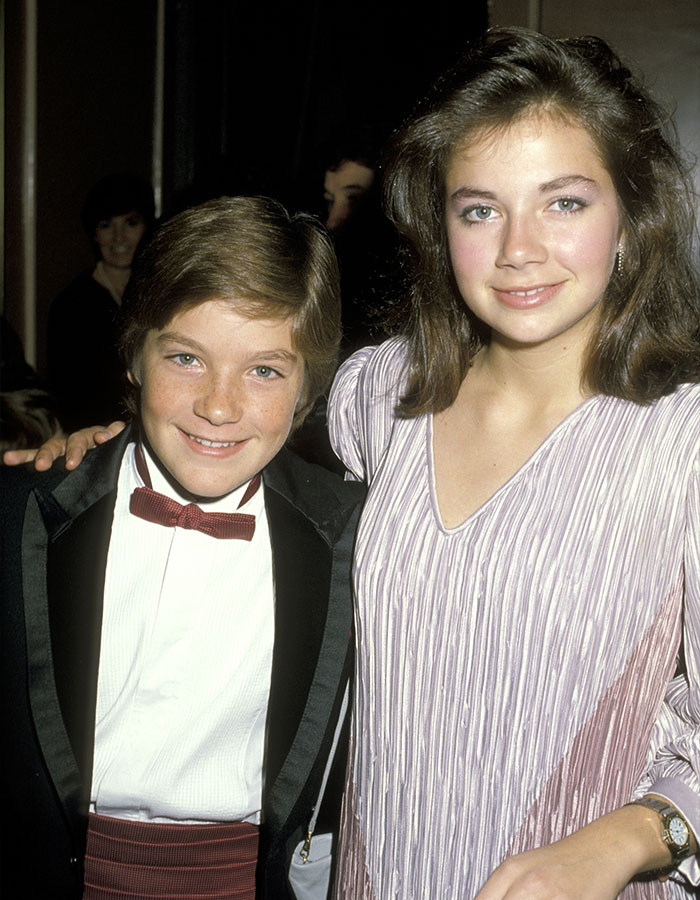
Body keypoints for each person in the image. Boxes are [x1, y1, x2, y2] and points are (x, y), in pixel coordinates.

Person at [11, 27, 700, 900]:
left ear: (631, 213)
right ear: (437, 222)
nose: (519, 248)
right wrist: (95, 453)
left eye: (564, 202)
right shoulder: (381, 396)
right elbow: (236, 407)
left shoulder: (683, 443)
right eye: (480, 208)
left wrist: (625, 842)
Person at [1, 196, 364, 899]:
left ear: (308, 387)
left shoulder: (358, 535)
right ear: (134, 355)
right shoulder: (26, 514)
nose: (219, 407)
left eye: (265, 371)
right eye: (187, 358)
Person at [47, 172, 155, 429]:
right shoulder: (70, 305)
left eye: (130, 223)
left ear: (146, 227)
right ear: (94, 234)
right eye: (106, 225)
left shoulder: (160, 293)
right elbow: (67, 397)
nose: (119, 238)